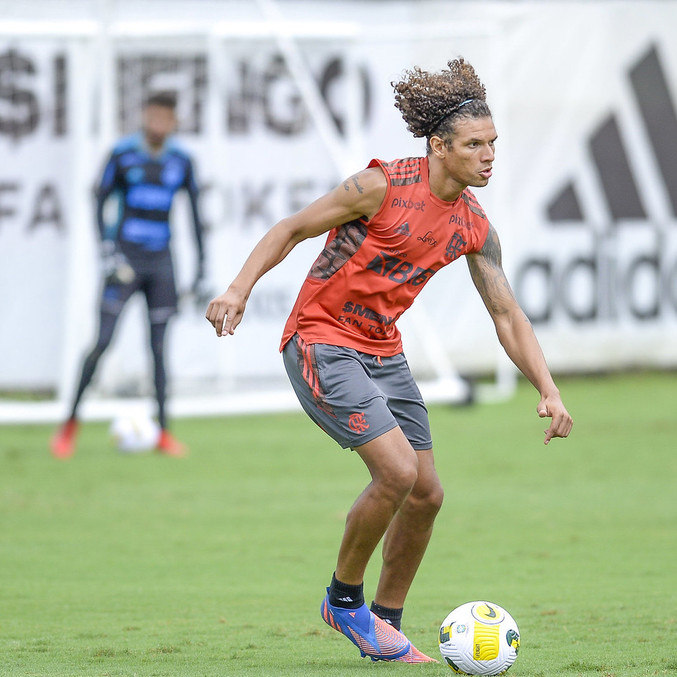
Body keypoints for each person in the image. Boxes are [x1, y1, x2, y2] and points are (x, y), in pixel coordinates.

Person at [205, 58, 573, 662]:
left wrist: (549, 389)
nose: (488, 156)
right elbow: (293, 228)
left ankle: (387, 621)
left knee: (426, 494)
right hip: (321, 339)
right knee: (397, 473)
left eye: (493, 144)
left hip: (382, 349)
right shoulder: (380, 186)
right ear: (438, 146)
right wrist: (238, 289)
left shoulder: (474, 226)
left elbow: (507, 316)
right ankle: (343, 601)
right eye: (475, 145)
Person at [51, 91, 205, 459]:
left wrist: (202, 269)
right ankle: (68, 427)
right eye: (152, 116)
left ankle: (164, 432)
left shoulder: (182, 161)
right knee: (102, 343)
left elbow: (197, 217)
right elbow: (98, 198)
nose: (157, 124)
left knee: (158, 349)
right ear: (143, 116)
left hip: (161, 264)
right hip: (124, 262)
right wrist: (106, 251)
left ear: (173, 121)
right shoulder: (122, 154)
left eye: (164, 118)